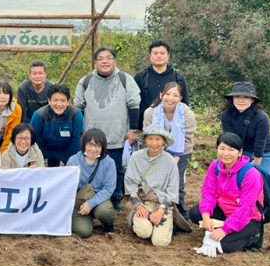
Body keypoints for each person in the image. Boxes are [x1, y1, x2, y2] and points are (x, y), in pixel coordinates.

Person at [74, 47, 141, 212]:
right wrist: (81, 131)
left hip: (117, 136)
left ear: (114, 61)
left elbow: (134, 104)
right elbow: (78, 107)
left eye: (109, 58)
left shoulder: (125, 79)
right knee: (91, 169)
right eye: (101, 58)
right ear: (95, 63)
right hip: (92, 138)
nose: (105, 61)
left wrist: (133, 129)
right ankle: (88, 198)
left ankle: (116, 199)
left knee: (117, 170)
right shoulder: (86, 81)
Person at [188, 133, 264, 253]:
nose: (226, 153)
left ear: (240, 152)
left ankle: (252, 238)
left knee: (223, 246)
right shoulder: (215, 166)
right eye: (222, 148)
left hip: (248, 218)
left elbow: (245, 208)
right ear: (217, 149)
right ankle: (225, 227)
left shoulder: (251, 175)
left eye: (231, 149)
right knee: (195, 213)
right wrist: (206, 216)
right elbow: (208, 192)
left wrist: (224, 229)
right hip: (225, 211)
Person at [143, 82, 196, 219]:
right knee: (158, 182)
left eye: (175, 95)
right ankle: (157, 210)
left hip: (182, 152)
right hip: (156, 151)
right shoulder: (150, 113)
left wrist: (175, 154)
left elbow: (188, 138)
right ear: (161, 95)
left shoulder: (187, 114)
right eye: (167, 94)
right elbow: (148, 135)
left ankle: (180, 213)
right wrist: (162, 155)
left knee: (177, 183)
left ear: (180, 98)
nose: (170, 98)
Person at [124, 125, 178, 247]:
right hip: (143, 201)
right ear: (145, 140)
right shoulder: (136, 157)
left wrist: (161, 210)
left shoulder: (170, 161)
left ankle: (166, 222)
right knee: (144, 232)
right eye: (150, 139)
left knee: (160, 242)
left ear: (164, 141)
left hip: (161, 202)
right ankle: (142, 221)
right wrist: (138, 205)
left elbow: (173, 190)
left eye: (158, 139)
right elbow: (131, 184)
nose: (154, 143)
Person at [66, 128, 117, 237]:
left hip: (99, 200)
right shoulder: (73, 161)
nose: (93, 149)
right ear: (84, 144)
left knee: (105, 212)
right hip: (79, 201)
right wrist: (75, 175)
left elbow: (108, 189)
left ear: (103, 147)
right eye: (90, 144)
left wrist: (91, 204)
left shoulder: (109, 163)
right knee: (84, 232)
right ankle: (85, 219)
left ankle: (107, 223)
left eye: (97, 146)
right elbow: (68, 188)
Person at [221, 81, 270, 175]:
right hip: (243, 151)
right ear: (232, 99)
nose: (241, 100)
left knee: (259, 181)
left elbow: (260, 143)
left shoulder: (261, 117)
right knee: (238, 180)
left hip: (264, 153)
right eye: (237, 96)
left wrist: (256, 164)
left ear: (252, 100)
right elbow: (230, 139)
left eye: (246, 97)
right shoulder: (226, 115)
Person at [134, 40, 189, 130]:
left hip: (173, 128)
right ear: (150, 56)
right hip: (146, 128)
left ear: (168, 55)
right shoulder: (141, 77)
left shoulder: (178, 77)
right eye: (155, 53)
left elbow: (185, 103)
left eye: (162, 53)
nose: (159, 56)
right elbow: (134, 103)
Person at [31, 83, 83, 167]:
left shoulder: (75, 114)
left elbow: (76, 141)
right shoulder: (39, 115)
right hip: (44, 149)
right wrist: (37, 161)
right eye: (55, 100)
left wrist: (74, 163)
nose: (59, 104)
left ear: (68, 102)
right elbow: (35, 141)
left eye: (63, 100)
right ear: (49, 101)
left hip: (67, 150)